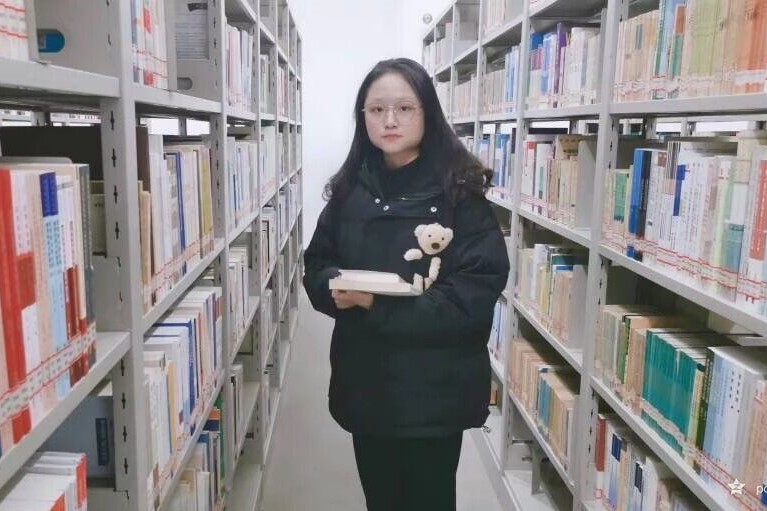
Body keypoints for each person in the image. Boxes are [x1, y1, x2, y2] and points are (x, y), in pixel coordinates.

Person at [302, 57, 510, 511]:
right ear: (363, 117)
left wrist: (376, 305)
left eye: (404, 108)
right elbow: (316, 263)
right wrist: (333, 286)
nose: (389, 120)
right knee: (380, 499)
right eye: (376, 110)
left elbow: (472, 296)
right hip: (367, 382)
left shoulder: (461, 194)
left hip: (434, 391)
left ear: (427, 113)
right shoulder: (349, 190)